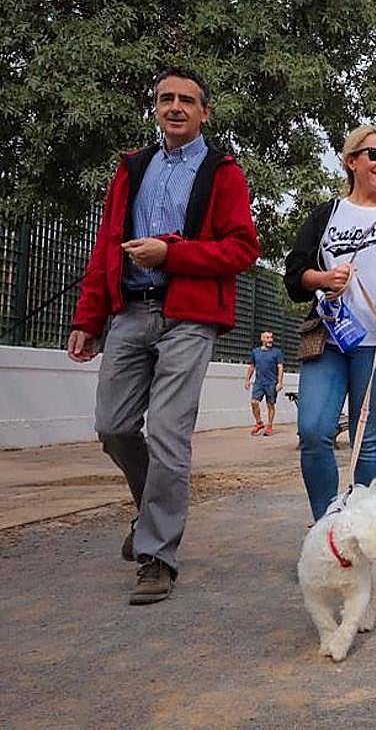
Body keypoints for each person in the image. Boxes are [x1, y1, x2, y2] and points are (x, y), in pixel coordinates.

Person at [67, 66, 259, 604]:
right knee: (113, 426)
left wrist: (171, 253)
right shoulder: (132, 168)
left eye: (187, 100)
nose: (175, 107)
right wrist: (88, 318)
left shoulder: (223, 172)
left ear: (204, 113)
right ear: (155, 107)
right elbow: (107, 245)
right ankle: (151, 511)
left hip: (189, 318)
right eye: (166, 98)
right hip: (129, 313)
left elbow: (242, 249)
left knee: (170, 434)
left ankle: (157, 556)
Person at [284, 125, 376, 521]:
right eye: (375, 155)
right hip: (329, 339)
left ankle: (371, 530)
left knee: (366, 439)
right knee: (313, 431)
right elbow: (295, 273)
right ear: (352, 161)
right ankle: (329, 527)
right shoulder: (326, 214)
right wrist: (323, 278)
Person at [244, 330, 284, 435]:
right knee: (254, 402)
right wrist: (247, 379)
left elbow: (280, 367)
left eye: (271, 337)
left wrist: (280, 382)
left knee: (270, 405)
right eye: (267, 338)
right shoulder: (255, 352)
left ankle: (269, 426)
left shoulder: (277, 352)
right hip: (259, 383)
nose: (270, 340)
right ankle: (259, 423)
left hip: (272, 383)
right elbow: (252, 366)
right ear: (262, 339)